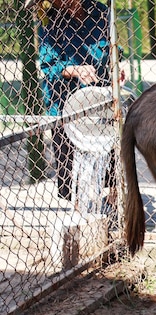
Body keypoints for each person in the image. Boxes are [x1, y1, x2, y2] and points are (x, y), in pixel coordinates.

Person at [29, 0, 119, 208]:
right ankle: (79, 207)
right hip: (63, 102)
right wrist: (75, 70)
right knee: (68, 161)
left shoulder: (99, 12)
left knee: (111, 154)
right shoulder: (51, 21)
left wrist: (115, 64)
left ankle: (115, 203)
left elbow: (112, 48)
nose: (60, 3)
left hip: (99, 97)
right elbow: (48, 66)